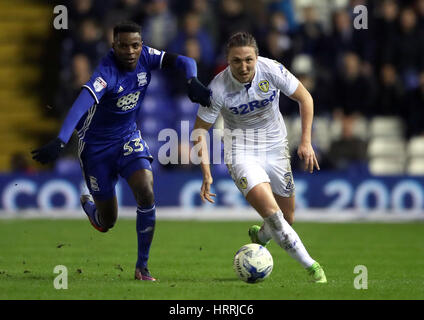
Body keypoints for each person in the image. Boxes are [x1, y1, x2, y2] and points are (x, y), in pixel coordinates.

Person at [31, 21, 211, 281]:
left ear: (141, 45)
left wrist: (192, 80)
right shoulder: (106, 73)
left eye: (135, 45)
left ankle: (142, 267)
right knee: (108, 222)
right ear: (113, 45)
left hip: (127, 138)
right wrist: (60, 140)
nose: (130, 51)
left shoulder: (147, 56)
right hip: (96, 149)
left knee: (146, 190)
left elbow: (184, 61)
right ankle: (90, 206)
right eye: (123, 45)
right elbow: (80, 106)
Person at [193, 32, 326, 283]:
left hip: (276, 148)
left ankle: (261, 237)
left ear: (256, 57)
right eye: (236, 61)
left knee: (287, 218)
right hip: (241, 152)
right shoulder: (217, 88)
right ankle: (312, 267)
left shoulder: (272, 69)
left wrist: (306, 141)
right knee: (275, 217)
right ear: (228, 61)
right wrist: (207, 173)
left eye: (248, 60)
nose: (243, 67)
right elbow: (199, 131)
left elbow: (305, 98)